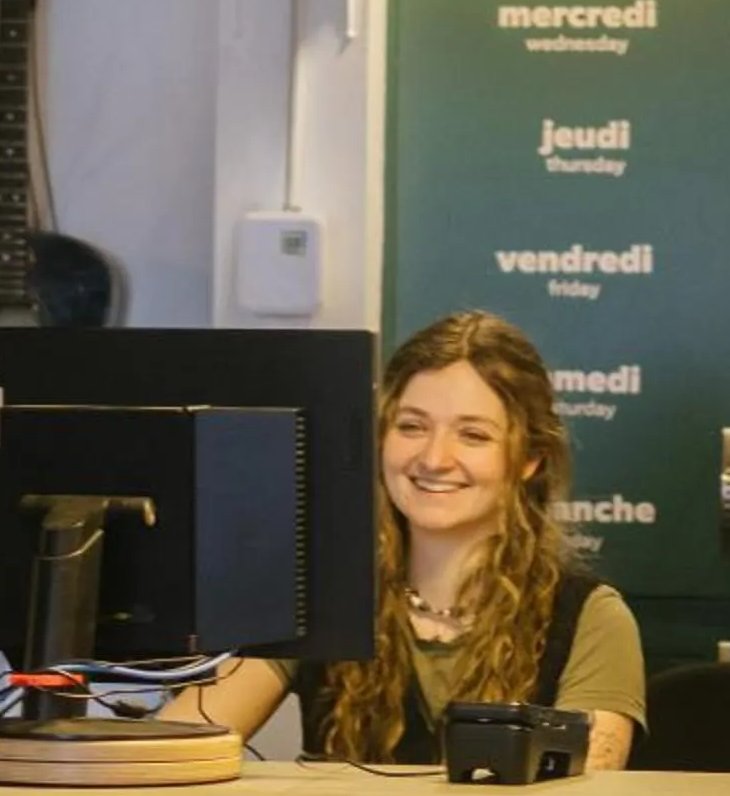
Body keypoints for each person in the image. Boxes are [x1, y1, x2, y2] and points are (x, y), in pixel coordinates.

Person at [174, 309, 644, 768]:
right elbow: (175, 748)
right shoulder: (318, 599)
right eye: (412, 427)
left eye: (473, 435)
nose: (435, 458)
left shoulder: (591, 618)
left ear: (529, 460)